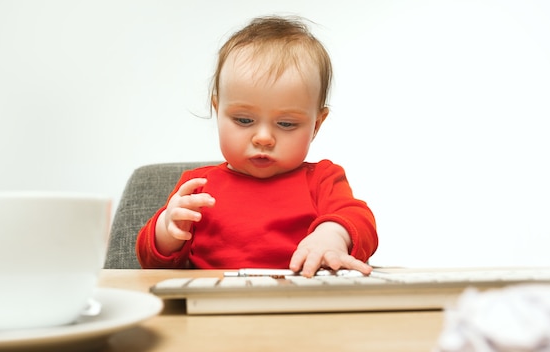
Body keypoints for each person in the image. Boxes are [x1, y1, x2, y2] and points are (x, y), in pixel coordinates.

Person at [136, 15, 378, 277]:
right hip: (214, 307)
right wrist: (167, 229)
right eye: (244, 120)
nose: (263, 138)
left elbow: (360, 220)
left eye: (286, 123)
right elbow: (152, 265)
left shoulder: (322, 180)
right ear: (218, 111)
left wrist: (332, 235)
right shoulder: (197, 187)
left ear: (316, 125)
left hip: (301, 305)